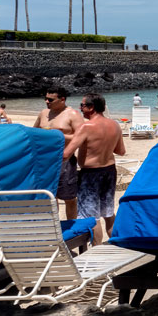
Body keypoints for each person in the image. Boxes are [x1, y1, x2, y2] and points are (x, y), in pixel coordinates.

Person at [63, 93, 125, 235]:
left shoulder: (86, 127)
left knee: (91, 217)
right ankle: (116, 244)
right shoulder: (114, 125)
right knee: (108, 213)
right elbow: (121, 151)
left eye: (83, 105)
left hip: (90, 175)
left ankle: (96, 250)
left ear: (91, 107)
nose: (80, 108)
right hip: (109, 171)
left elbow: (66, 154)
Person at [34, 86, 84, 220]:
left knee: (69, 198)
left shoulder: (72, 114)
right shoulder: (43, 113)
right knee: (50, 196)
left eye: (50, 99)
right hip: (44, 161)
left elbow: (81, 137)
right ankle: (54, 225)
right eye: (45, 98)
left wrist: (58, 135)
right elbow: (34, 132)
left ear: (62, 99)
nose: (47, 102)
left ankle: (71, 226)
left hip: (65, 160)